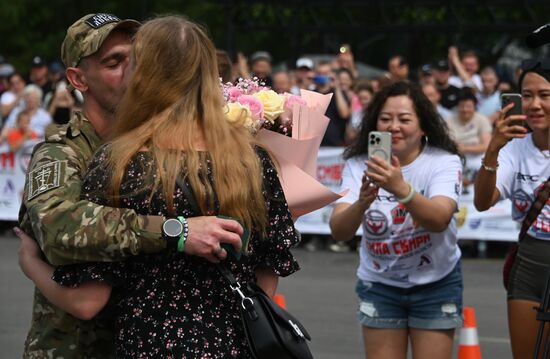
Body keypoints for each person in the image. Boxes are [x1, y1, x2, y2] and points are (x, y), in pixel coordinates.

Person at [19, 15, 300, 358]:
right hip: (80, 348)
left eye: (133, 59)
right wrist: (178, 230)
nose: (127, 71)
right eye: (113, 62)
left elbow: (87, 297)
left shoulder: (122, 162)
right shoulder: (66, 152)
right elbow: (61, 227)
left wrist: (28, 261)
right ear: (79, 79)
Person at [330, 81, 463, 359]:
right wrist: (362, 203)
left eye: (404, 119)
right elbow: (339, 230)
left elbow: (439, 219)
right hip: (380, 285)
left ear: (424, 125)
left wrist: (400, 188)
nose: (394, 127)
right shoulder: (358, 164)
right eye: (385, 119)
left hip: (435, 282)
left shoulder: (443, 162)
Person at [474, 59, 550, 359]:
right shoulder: (514, 147)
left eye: (544, 95)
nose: (534, 104)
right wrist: (493, 148)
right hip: (529, 264)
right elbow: (482, 201)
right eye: (526, 95)